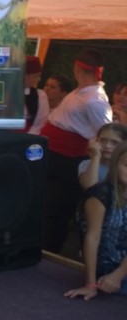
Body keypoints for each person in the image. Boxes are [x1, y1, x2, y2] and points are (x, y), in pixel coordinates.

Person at [39, 50, 113, 253]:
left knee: (57, 207)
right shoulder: (82, 92)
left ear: (77, 68)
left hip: (67, 159)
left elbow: (106, 132)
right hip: (53, 153)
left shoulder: (94, 100)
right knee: (45, 202)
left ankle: (49, 249)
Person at [64, 143, 127, 300]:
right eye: (126, 165)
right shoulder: (101, 194)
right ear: (115, 166)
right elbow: (92, 237)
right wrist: (90, 284)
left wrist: (119, 275)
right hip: (106, 267)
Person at [78, 123, 127, 190]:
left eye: (115, 142)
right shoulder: (87, 164)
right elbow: (90, 187)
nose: (107, 146)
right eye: (103, 140)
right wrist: (95, 156)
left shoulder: (124, 167)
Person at [24, 55, 50, 134]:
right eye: (36, 76)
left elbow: (40, 123)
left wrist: (27, 137)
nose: (39, 79)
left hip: (27, 137)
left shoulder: (40, 95)